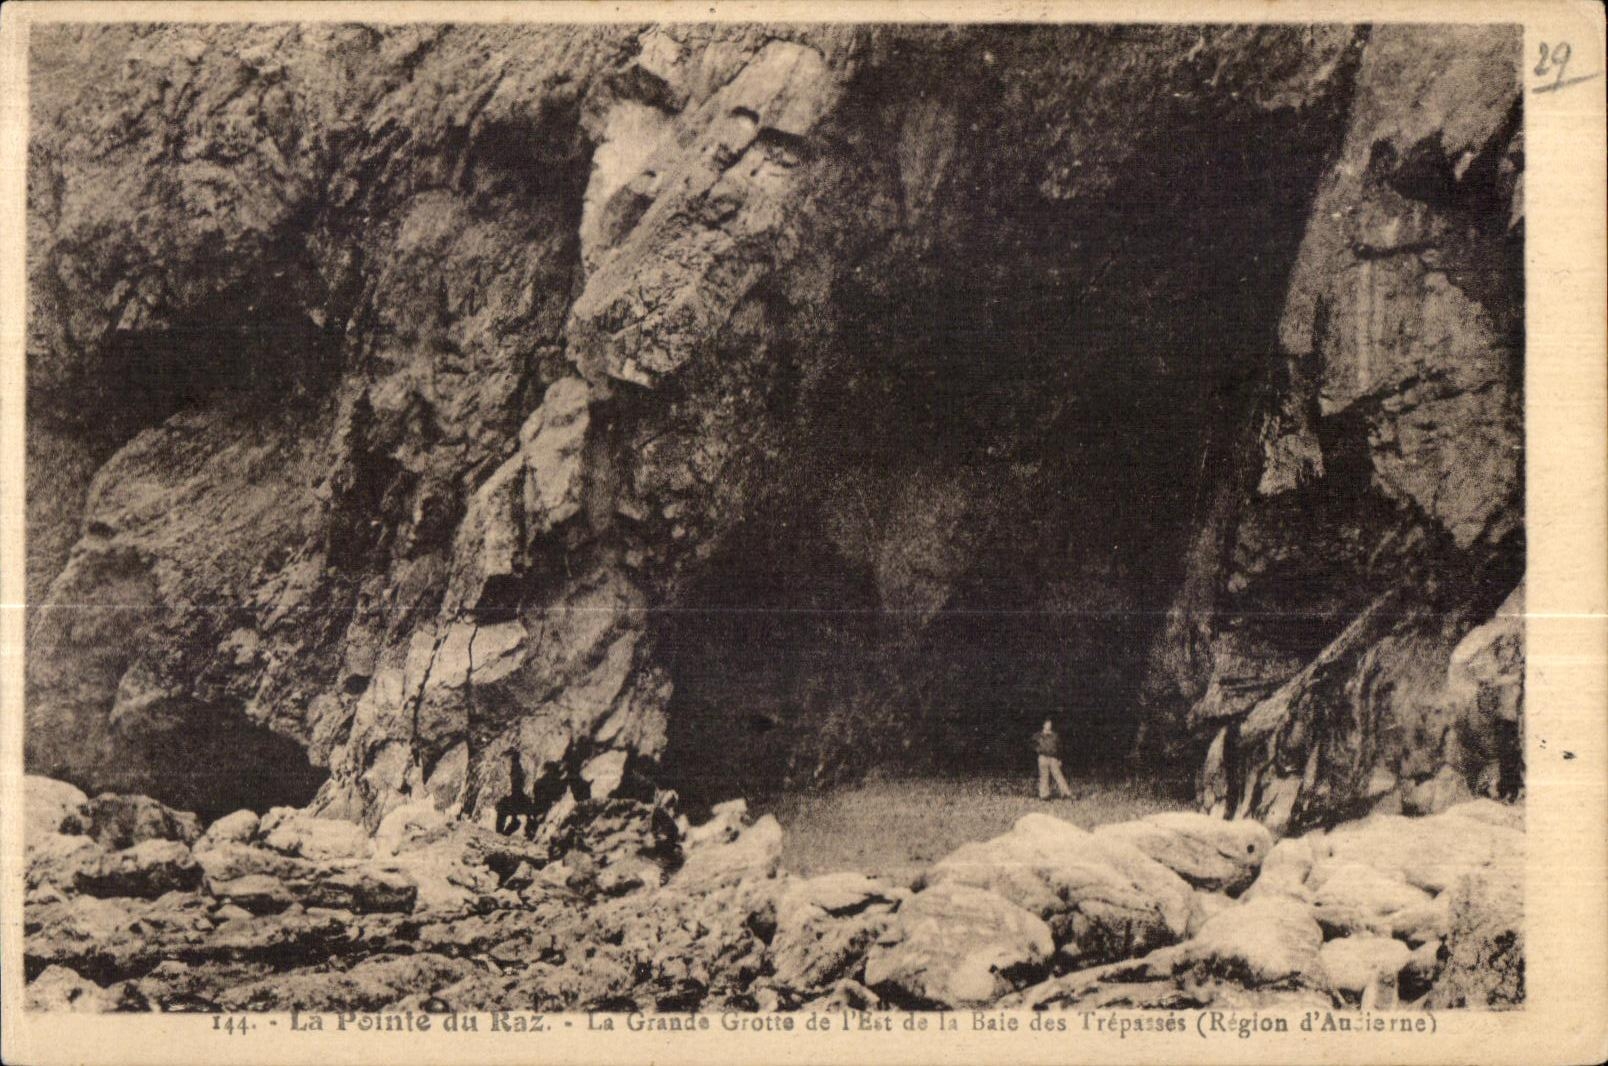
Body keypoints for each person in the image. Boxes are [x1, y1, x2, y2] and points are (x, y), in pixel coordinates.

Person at [1034, 719, 1073, 799]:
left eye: (1050, 724)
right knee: (1044, 776)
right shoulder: (1038, 735)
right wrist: (1038, 750)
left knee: (1058, 775)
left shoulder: (1055, 736)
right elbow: (1033, 744)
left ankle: (1066, 793)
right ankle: (1044, 795)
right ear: (1043, 725)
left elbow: (1060, 748)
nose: (1049, 725)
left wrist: (1059, 759)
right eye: (1047, 724)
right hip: (1043, 758)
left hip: (1053, 758)